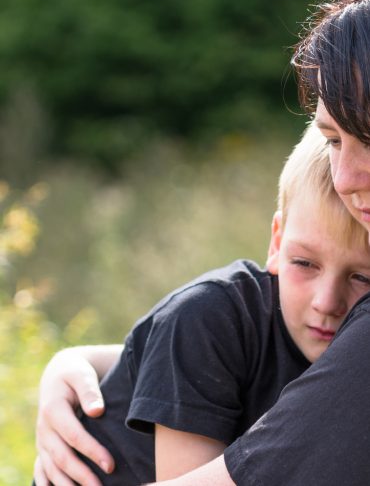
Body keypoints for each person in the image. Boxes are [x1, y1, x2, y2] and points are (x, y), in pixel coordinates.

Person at [33, 120, 370, 486]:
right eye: (304, 263)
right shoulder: (207, 318)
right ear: (276, 243)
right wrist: (74, 359)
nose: (326, 301)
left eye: (362, 277)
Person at [141, 0, 370, 486]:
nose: (348, 179)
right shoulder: (208, 317)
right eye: (334, 141)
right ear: (275, 239)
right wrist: (82, 364)